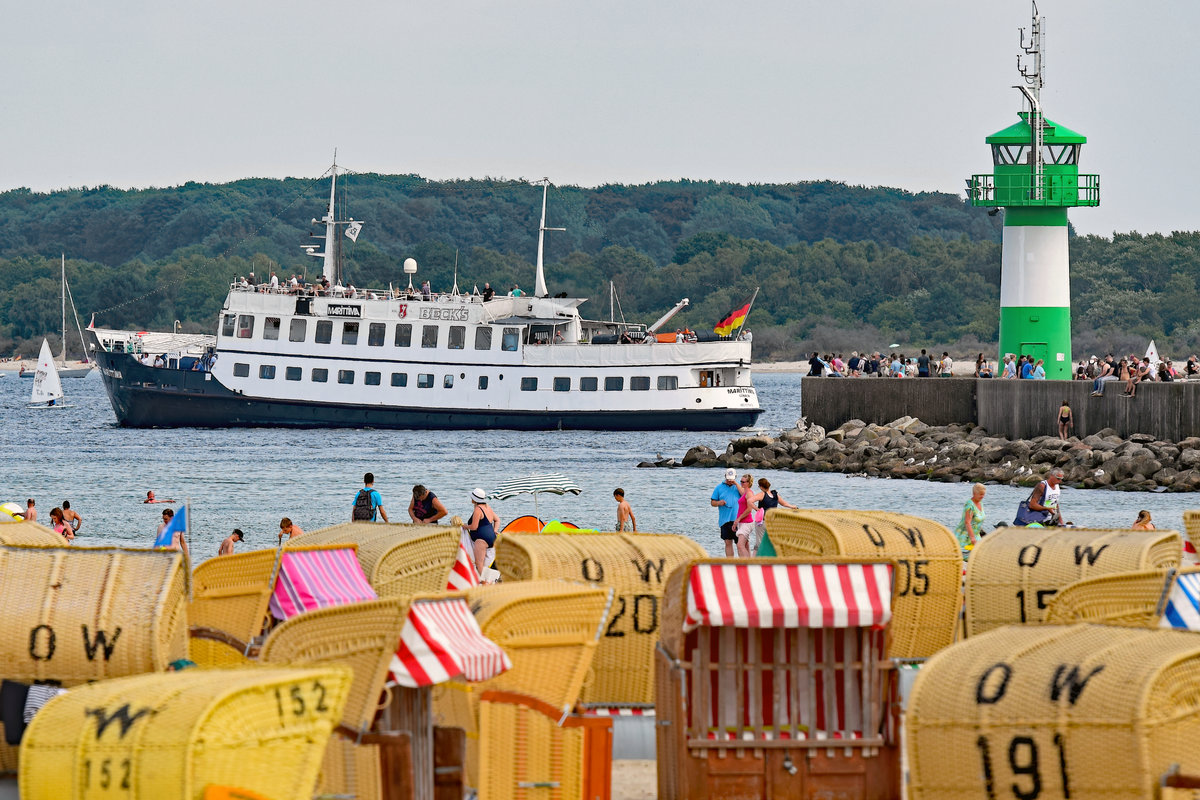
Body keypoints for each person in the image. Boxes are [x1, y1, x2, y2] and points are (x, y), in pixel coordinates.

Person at [464, 488, 499, 573]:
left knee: (479, 563)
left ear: (474, 499)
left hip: (481, 540)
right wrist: (494, 530)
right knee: (485, 563)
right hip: (492, 538)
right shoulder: (487, 507)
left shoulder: (478, 509)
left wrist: (465, 526)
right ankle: (485, 581)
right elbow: (497, 520)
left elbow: (474, 527)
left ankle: (483, 584)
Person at [710, 468, 742, 558]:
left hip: (737, 519)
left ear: (735, 477)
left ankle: (742, 563)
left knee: (739, 543)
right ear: (725, 477)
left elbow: (745, 495)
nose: (730, 481)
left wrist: (736, 484)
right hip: (724, 520)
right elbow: (712, 502)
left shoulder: (739, 486)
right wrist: (719, 503)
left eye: (731, 479)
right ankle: (730, 563)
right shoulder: (719, 487)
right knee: (728, 542)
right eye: (728, 479)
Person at [733, 473, 759, 558]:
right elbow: (741, 491)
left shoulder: (749, 493)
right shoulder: (745, 492)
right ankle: (748, 563)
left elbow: (749, 509)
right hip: (742, 522)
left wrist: (738, 519)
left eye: (743, 482)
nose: (741, 483)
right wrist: (735, 483)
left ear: (748, 483)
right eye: (740, 481)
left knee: (740, 545)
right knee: (746, 545)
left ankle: (748, 564)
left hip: (746, 522)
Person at [955, 483, 987, 551]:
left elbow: (976, 521)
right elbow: (967, 522)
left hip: (976, 535)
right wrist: (972, 538)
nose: (983, 496)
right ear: (974, 493)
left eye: (984, 494)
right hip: (965, 536)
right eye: (981, 494)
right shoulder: (970, 505)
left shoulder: (980, 503)